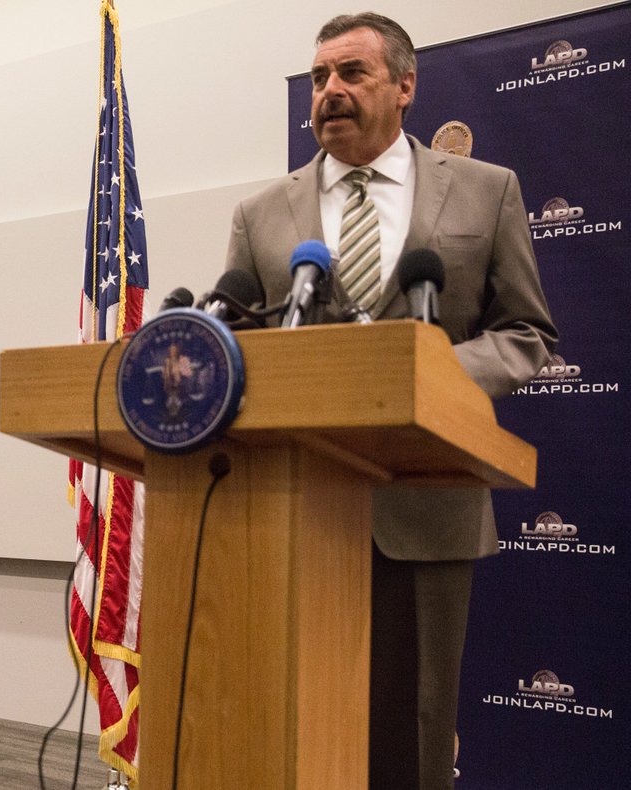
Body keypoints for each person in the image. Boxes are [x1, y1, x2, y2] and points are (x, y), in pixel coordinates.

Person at [225, 13, 556, 790]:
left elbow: (526, 333)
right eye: (318, 78)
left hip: (429, 512)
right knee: (290, 726)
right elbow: (237, 343)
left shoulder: (488, 191)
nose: (329, 93)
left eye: (351, 74)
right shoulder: (262, 214)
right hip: (291, 511)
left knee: (413, 738)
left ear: (406, 86)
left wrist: (425, 375)